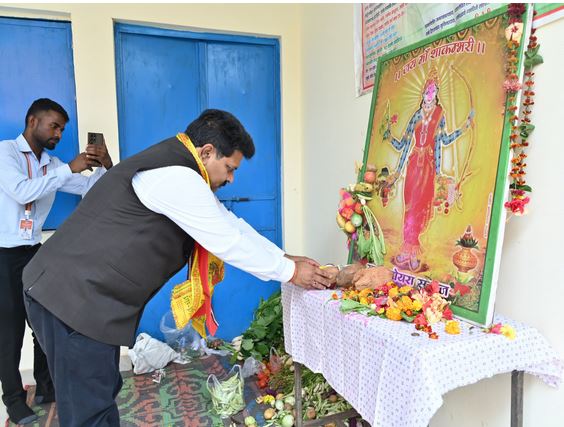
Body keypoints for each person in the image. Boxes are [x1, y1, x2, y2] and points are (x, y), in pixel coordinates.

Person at [22, 109, 331, 426]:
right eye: (229, 168)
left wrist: (285, 257)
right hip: (72, 301)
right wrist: (291, 272)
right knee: (89, 410)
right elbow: (227, 241)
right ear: (207, 152)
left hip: (77, 299)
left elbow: (230, 224)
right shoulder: (178, 177)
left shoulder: (179, 168)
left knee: (98, 392)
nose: (231, 179)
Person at [0, 98, 113, 425]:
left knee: (45, 322)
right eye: (54, 126)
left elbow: (91, 188)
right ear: (32, 121)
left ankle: (46, 386)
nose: (59, 134)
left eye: (62, 129)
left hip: (34, 251)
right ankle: (14, 400)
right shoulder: (6, 153)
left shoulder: (52, 163)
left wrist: (105, 165)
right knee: (9, 331)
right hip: (4, 254)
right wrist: (68, 169)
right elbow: (22, 191)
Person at [384, 68, 473, 273]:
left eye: (433, 91)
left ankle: (413, 250)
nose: (429, 94)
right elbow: (403, 145)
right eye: (427, 90)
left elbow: (444, 141)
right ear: (423, 92)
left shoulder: (440, 115)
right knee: (410, 205)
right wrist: (389, 137)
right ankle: (406, 249)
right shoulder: (416, 115)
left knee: (420, 206)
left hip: (428, 168)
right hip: (413, 166)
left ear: (437, 93)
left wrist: (464, 128)